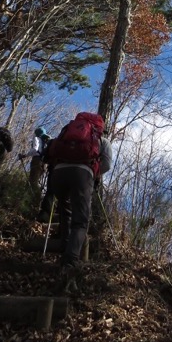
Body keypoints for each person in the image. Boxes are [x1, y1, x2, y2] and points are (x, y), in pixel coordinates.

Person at [47, 111, 105, 292]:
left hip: (59, 173)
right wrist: (95, 174)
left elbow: (53, 149)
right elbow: (107, 164)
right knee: (80, 221)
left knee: (65, 211)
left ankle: (64, 246)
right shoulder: (99, 138)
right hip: (82, 174)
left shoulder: (67, 130)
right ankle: (70, 262)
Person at [18, 126, 52, 196]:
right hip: (44, 163)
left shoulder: (36, 138)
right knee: (36, 181)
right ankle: (30, 199)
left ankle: (36, 200)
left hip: (37, 160)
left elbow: (35, 149)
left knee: (33, 181)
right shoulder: (45, 141)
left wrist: (24, 155)